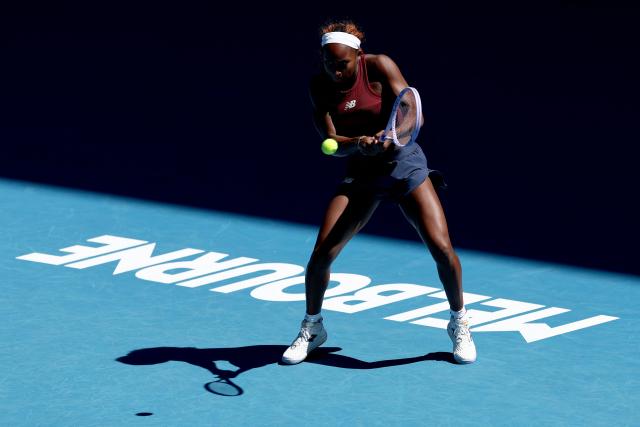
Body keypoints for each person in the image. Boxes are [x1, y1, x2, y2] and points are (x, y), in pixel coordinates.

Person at [281, 19, 476, 365]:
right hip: (362, 174)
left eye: (342, 64)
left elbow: (412, 111)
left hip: (405, 168)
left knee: (442, 248)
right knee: (322, 254)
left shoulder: (379, 65)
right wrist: (358, 143)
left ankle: (460, 322)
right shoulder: (319, 87)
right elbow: (332, 142)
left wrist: (392, 135)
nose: (335, 71)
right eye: (329, 63)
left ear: (358, 56)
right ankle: (313, 328)